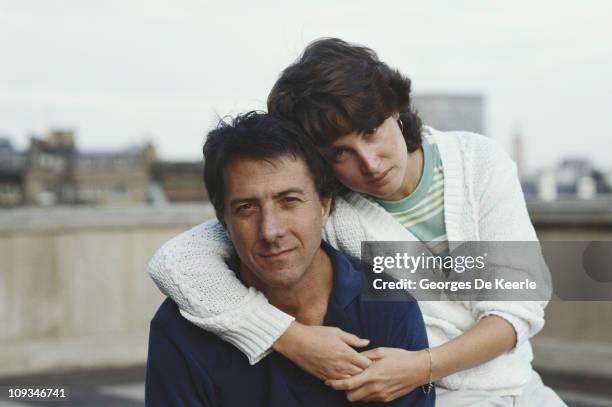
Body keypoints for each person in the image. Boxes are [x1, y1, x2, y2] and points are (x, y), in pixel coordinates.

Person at [148, 39, 566, 406]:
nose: (369, 162)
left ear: (396, 110)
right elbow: (177, 262)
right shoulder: (329, 208)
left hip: (519, 387)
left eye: (370, 131)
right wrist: (289, 339)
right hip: (433, 401)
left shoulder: (478, 162)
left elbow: (517, 308)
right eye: (339, 153)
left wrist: (421, 366)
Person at [145, 112, 434, 406]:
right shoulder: (178, 329)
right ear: (223, 221)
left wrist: (430, 365)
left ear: (324, 206)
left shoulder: (390, 306)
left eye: (289, 201)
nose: (270, 231)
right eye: (247, 207)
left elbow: (480, 291)